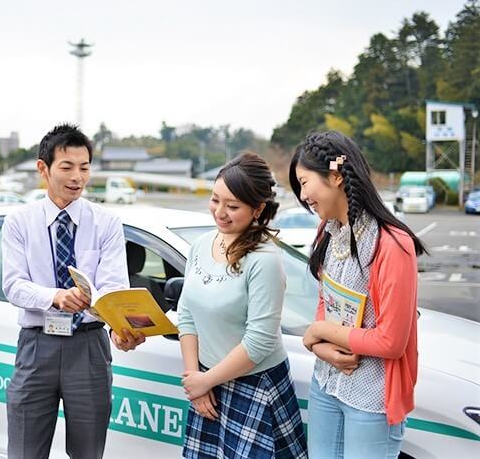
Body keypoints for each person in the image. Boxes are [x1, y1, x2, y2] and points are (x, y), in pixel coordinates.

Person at [2, 123, 145, 459]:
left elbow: (112, 288)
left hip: (89, 348)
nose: (77, 177)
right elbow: (13, 285)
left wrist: (120, 329)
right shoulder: (19, 221)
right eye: (67, 167)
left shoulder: (106, 223)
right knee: (24, 450)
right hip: (37, 348)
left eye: (84, 167)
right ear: (43, 169)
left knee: (88, 452)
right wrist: (55, 297)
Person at [289, 130, 426, 459]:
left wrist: (319, 332)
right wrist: (321, 348)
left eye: (305, 182)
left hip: (372, 397)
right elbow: (327, 303)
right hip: (326, 384)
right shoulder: (328, 232)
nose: (303, 196)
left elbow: (391, 341)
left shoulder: (392, 244)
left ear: (335, 176)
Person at [178, 152, 307, 459]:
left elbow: (259, 341)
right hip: (206, 382)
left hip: (254, 386)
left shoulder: (264, 260)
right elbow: (186, 314)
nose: (220, 212)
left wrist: (204, 381)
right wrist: (195, 378)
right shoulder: (200, 245)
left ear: (257, 209)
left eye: (233, 206)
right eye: (215, 200)